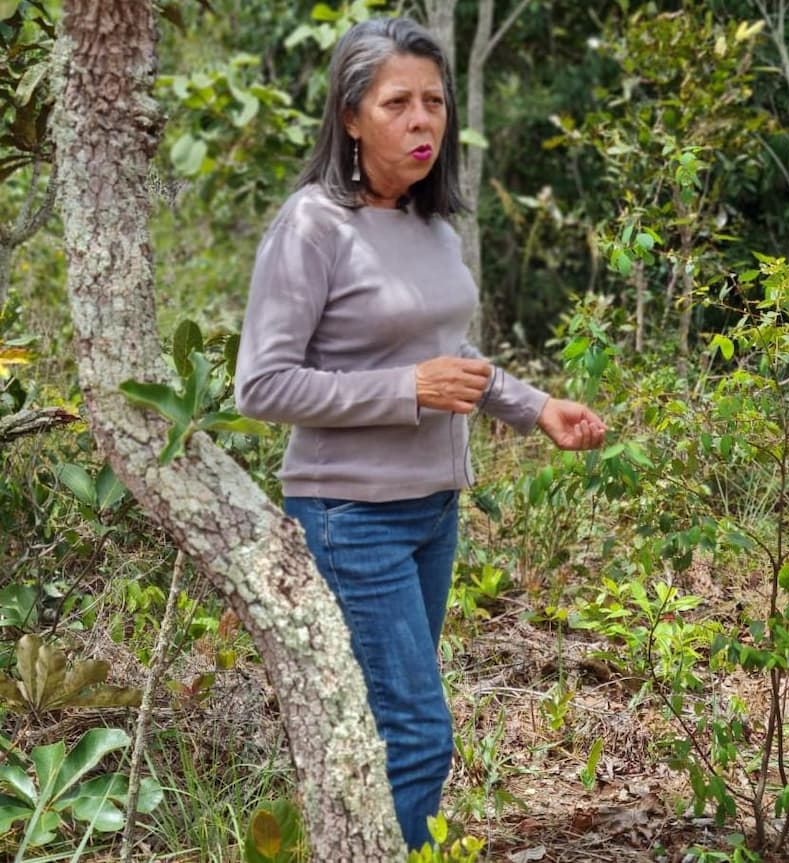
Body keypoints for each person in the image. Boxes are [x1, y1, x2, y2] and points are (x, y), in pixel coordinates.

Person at [234, 16, 606, 850]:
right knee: (418, 732)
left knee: (388, 725)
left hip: (433, 510)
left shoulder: (431, 224)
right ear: (351, 114)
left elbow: (449, 357)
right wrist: (407, 388)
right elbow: (261, 383)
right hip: (349, 516)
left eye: (433, 101)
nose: (422, 119)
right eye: (397, 101)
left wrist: (534, 406)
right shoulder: (312, 226)